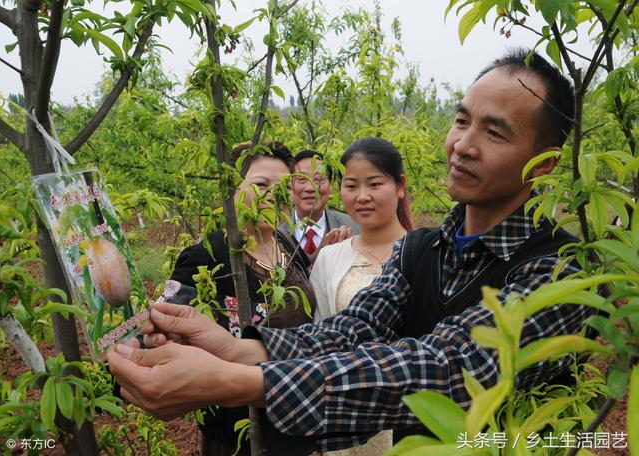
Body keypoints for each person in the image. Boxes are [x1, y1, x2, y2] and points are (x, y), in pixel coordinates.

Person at [107, 49, 590, 454]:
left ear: (543, 164)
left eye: (495, 132)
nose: (462, 144)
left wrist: (241, 381)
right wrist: (240, 349)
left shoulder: (560, 270)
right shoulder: (421, 248)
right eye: (462, 120)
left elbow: (446, 366)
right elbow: (353, 331)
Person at [159, 141, 317, 455]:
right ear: (233, 189)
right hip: (236, 432)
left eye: (285, 186)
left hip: (298, 417)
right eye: (261, 184)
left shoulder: (291, 249)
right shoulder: (207, 256)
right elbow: (166, 329)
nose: (274, 194)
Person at [310, 137, 415, 455]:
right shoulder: (330, 258)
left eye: (374, 184)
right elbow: (320, 339)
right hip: (349, 416)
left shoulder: (424, 254)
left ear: (400, 186)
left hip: (413, 412)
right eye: (351, 185)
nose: (362, 197)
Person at [281, 150, 360, 257]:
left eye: (319, 179)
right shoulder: (277, 230)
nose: (310, 188)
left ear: (331, 185)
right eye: (301, 179)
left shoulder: (354, 227)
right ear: (290, 185)